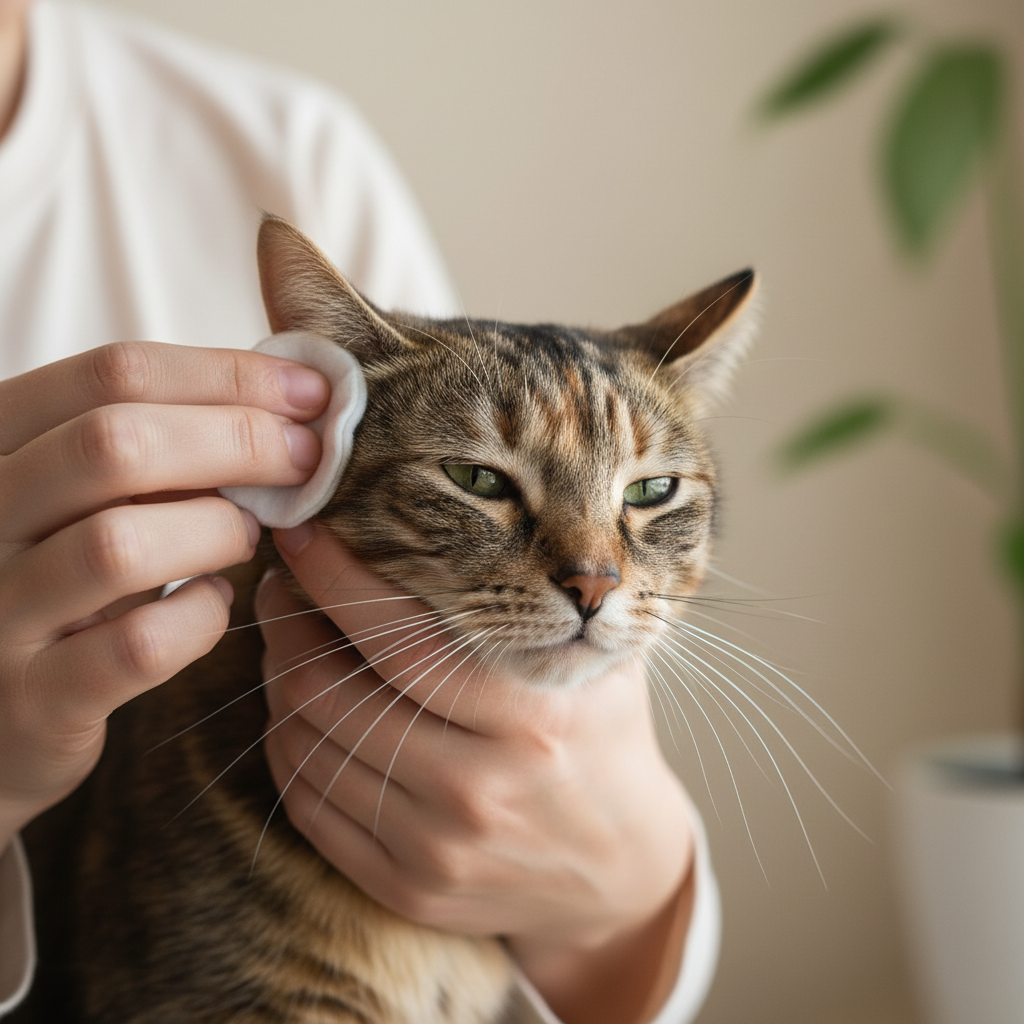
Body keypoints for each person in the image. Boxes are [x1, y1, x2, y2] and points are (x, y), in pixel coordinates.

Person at [0, 2, 719, 1022]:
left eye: (650, 496)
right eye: (490, 484)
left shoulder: (292, 147)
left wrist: (625, 892)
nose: (590, 572)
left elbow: (617, 968)